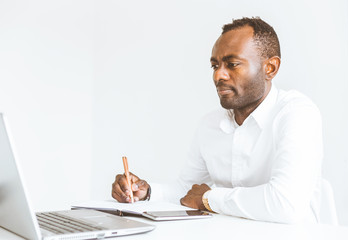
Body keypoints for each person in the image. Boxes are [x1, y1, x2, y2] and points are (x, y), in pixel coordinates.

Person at [111, 17, 323, 224]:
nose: (218, 76)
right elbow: (189, 191)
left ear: (270, 68)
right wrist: (145, 191)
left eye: (232, 64)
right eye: (215, 66)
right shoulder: (210, 124)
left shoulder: (297, 114)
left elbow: (285, 204)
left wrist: (208, 199)